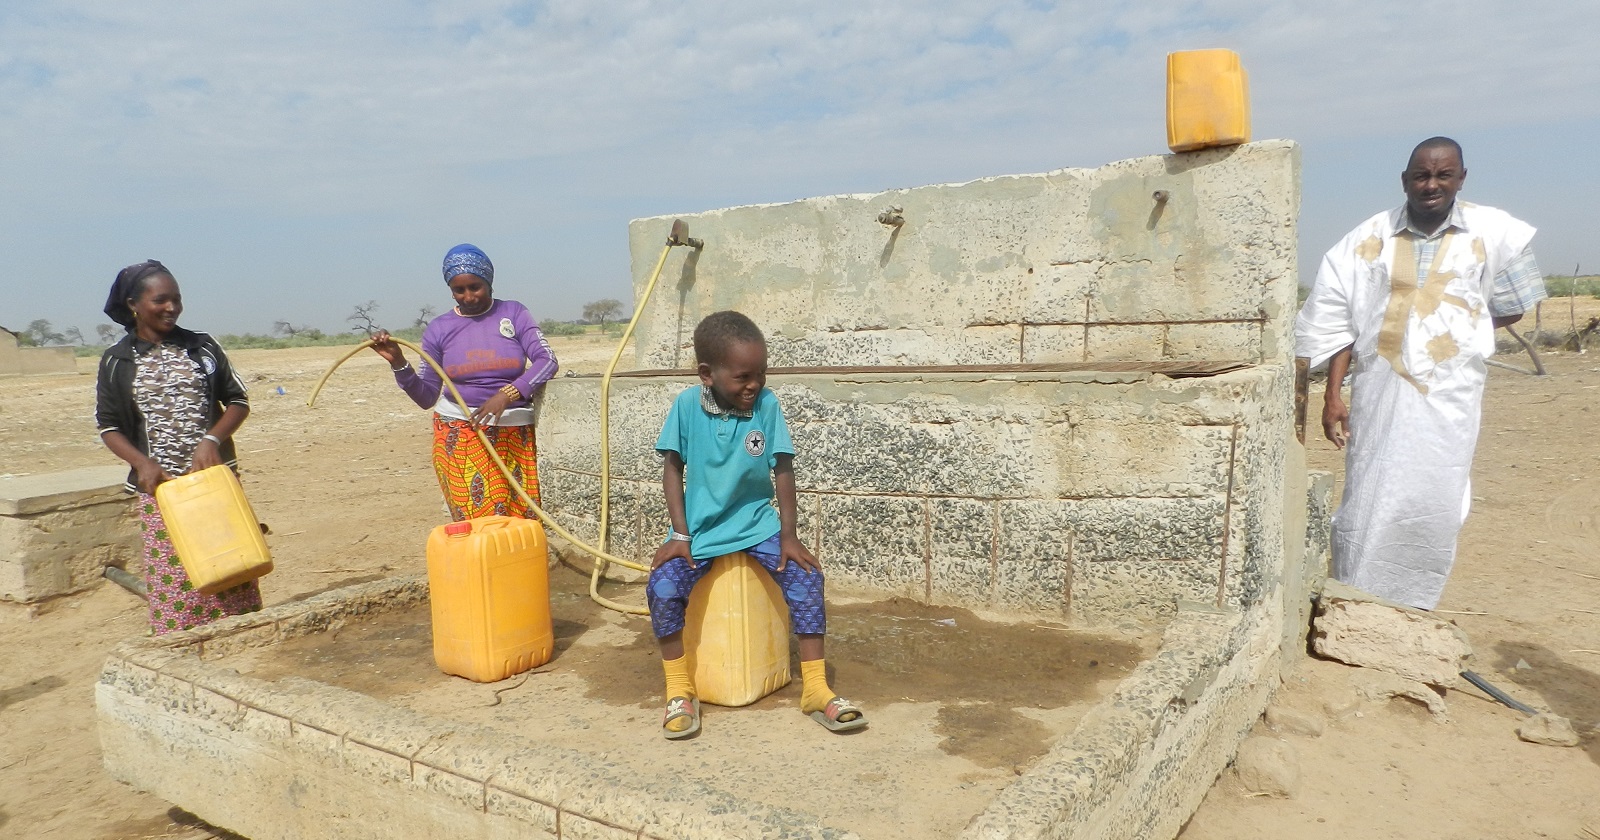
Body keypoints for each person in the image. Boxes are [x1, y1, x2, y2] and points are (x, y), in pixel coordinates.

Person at [1295, 137, 1547, 610]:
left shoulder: (1493, 232)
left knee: (1434, 496)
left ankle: (1410, 605)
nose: (1431, 185)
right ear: (1405, 179)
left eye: (1443, 175)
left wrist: (1457, 332)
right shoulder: (1366, 239)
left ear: (1461, 178)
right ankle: (1354, 602)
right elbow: (1338, 323)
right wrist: (1333, 396)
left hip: (1450, 396)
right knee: (1368, 495)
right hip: (1377, 391)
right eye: (1421, 176)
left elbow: (1512, 305)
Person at [647, 310, 866, 739]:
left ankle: (816, 689)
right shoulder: (687, 406)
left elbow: (782, 469)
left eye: (761, 374)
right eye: (743, 377)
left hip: (758, 526)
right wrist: (680, 533)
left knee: (807, 577)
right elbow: (672, 469)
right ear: (707, 374)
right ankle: (679, 690)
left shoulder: (766, 405)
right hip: (702, 533)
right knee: (662, 587)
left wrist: (788, 535)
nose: (754, 386)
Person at [95, 260, 262, 634]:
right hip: (163, 490)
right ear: (134, 304)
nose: (172, 307)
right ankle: (183, 648)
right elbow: (108, 426)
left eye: (177, 299)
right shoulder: (117, 360)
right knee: (176, 580)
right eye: (161, 300)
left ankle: (245, 643)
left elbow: (238, 401)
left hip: (214, 481)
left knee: (232, 565)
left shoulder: (201, 346)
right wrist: (142, 464)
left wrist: (211, 440)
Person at [370, 244, 558, 521]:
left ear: (489, 283)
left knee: (522, 519)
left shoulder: (514, 313)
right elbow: (426, 397)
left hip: (515, 432)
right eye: (460, 290)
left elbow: (547, 361)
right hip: (461, 431)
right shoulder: (439, 329)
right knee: (480, 520)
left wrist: (507, 394)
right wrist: (399, 362)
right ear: (451, 291)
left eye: (475, 287)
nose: (468, 296)